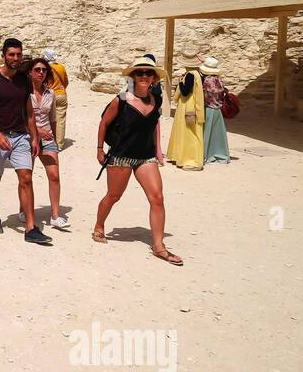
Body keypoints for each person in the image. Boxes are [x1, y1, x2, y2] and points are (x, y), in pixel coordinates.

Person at [95, 59, 182, 265]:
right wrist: (100, 150)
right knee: (114, 195)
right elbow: (104, 122)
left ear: (153, 78)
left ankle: (159, 246)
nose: (145, 76)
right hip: (121, 155)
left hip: (145, 156)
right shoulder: (121, 100)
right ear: (133, 77)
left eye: (149, 73)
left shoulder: (156, 100)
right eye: (140, 73)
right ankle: (99, 226)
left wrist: (158, 150)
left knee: (157, 198)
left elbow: (154, 125)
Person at [0, 38, 51, 245]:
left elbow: (29, 112)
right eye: (12, 55)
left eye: (19, 55)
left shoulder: (24, 79)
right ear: (4, 55)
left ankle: (30, 227)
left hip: (21, 136)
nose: (16, 58)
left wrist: (35, 137)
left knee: (26, 178)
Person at [28, 57, 68, 229]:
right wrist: (36, 131)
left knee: (54, 176)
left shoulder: (50, 93)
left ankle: (55, 215)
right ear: (30, 72)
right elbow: (20, 117)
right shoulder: (23, 93)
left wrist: (53, 136)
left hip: (47, 138)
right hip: (27, 138)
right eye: (37, 69)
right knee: (26, 177)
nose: (41, 73)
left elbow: (52, 117)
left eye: (44, 70)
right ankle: (25, 210)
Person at [166, 56, 205, 170]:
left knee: (187, 132)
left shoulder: (190, 75)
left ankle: (189, 159)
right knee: (193, 131)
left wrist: (180, 83)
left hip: (187, 105)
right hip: (194, 103)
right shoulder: (200, 74)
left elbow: (185, 91)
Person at [200, 56, 231, 165]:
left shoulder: (207, 81)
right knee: (218, 134)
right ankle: (220, 153)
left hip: (208, 109)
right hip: (218, 110)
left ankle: (207, 154)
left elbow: (203, 96)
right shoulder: (219, 80)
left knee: (207, 132)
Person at [43, 48, 69, 147]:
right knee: (60, 120)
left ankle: (48, 141)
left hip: (49, 94)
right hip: (61, 94)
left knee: (47, 119)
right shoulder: (61, 67)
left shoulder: (45, 68)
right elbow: (66, 82)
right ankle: (59, 144)